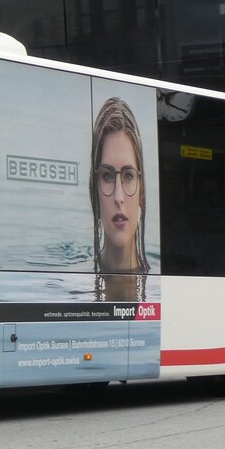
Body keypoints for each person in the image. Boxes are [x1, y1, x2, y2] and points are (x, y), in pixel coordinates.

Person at [90, 97, 149, 300]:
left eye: (128, 176)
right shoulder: (73, 284)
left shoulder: (159, 286)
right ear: (94, 190)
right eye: (107, 176)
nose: (118, 197)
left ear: (141, 190)